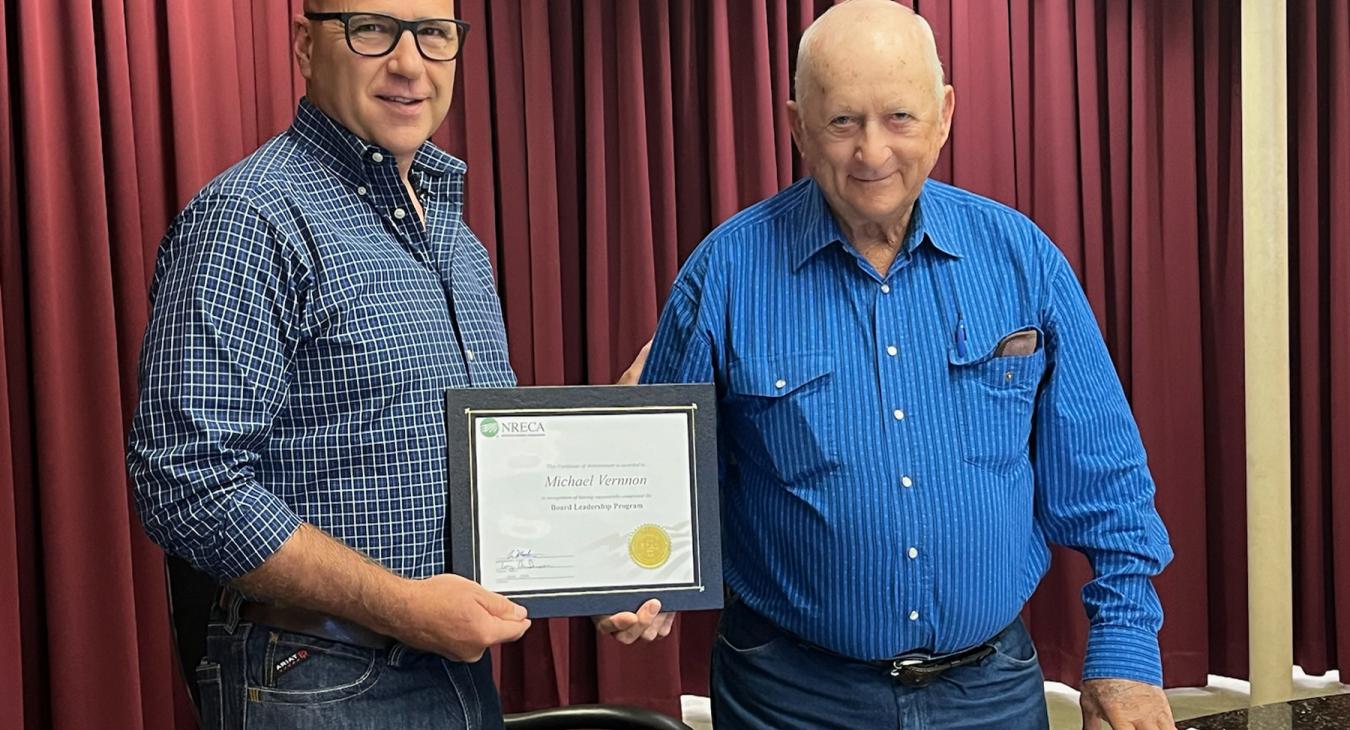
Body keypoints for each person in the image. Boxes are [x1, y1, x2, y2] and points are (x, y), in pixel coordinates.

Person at [637, 2, 1176, 728]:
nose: (872, 153)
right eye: (841, 122)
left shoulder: (1023, 260)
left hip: (990, 695)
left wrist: (1125, 649)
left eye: (899, 117)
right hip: (792, 702)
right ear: (796, 125)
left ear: (944, 114)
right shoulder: (723, 275)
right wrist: (632, 567)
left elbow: (1105, 472)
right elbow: (658, 482)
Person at [127, 2, 664, 728]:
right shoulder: (249, 219)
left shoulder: (457, 242)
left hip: (453, 676)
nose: (409, 65)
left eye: (433, 34)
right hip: (318, 680)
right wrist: (402, 606)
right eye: (371, 28)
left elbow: (476, 471)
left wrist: (599, 554)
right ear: (305, 45)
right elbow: (186, 482)